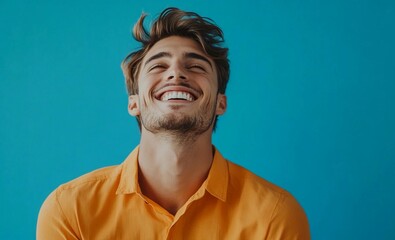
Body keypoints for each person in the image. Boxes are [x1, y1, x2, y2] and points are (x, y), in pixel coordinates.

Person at [37, 7, 310, 239]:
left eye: (196, 66)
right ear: (134, 103)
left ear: (220, 103)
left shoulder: (275, 216)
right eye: (158, 66)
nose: (176, 73)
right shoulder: (70, 210)